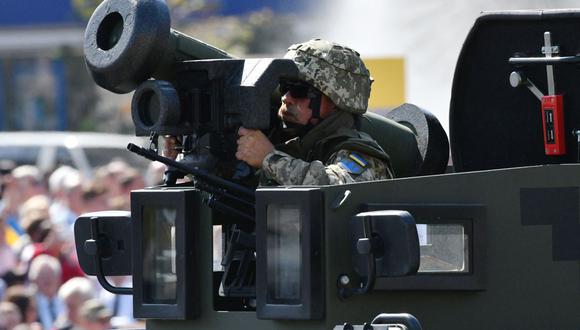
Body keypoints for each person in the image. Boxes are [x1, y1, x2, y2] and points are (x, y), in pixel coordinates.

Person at [235, 39, 394, 185]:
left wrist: (269, 159)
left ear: (335, 102)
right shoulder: (291, 142)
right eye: (284, 87)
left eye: (299, 90)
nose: (286, 98)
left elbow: (335, 187)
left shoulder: (360, 154)